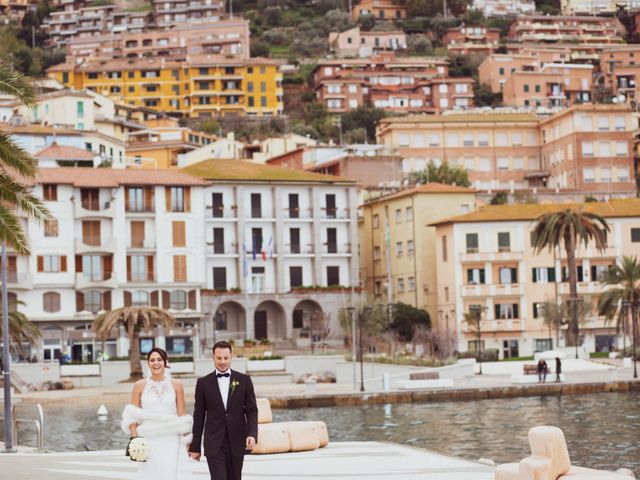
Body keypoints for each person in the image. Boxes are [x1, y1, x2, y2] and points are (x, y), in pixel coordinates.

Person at [189, 341, 258, 480]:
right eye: (219, 358)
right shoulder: (203, 383)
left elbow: (251, 410)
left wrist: (252, 434)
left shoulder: (244, 380)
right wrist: (195, 446)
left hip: (237, 441)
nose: (222, 361)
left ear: (231, 357)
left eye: (226, 358)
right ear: (213, 357)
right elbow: (199, 415)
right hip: (214, 442)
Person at [121, 347, 193, 480]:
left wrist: (187, 441)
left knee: (170, 474)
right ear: (148, 363)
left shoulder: (177, 385)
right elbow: (132, 416)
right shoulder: (139, 385)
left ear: (165, 362)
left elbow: (181, 415)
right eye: (152, 360)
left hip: (171, 439)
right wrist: (135, 439)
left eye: (159, 360)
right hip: (148, 439)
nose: (156, 363)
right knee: (149, 475)